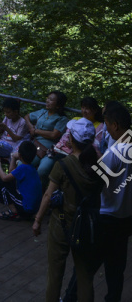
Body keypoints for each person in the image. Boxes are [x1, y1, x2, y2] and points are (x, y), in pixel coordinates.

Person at [64, 102, 132, 302]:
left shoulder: (117, 152)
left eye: (108, 124)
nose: (107, 128)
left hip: (107, 216)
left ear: (116, 125)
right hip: (126, 217)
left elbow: (95, 180)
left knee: (86, 264)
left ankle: (69, 298)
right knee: (116, 267)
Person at [32, 118, 102, 302]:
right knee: (84, 275)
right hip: (87, 226)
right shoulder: (99, 166)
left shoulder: (62, 165)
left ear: (70, 138)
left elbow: (48, 196)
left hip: (61, 223)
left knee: (55, 273)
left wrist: (38, 220)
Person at [38, 97, 104, 182]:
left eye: (87, 108)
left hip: (81, 156)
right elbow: (65, 137)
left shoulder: (100, 126)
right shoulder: (75, 119)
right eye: (83, 107)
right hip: (62, 150)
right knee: (46, 167)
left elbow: (96, 145)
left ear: (95, 110)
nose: (84, 111)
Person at [0, 139, 42, 220]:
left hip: (27, 208)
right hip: (34, 207)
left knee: (2, 183)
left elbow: (5, 178)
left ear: (20, 155)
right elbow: (12, 172)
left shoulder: (23, 168)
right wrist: (13, 158)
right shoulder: (31, 167)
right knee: (11, 181)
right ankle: (22, 212)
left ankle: (14, 211)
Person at [24, 91, 69, 175]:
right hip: (36, 146)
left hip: (51, 150)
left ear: (58, 105)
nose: (47, 101)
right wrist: (31, 127)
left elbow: (54, 135)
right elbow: (27, 117)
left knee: (43, 170)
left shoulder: (62, 119)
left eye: (51, 99)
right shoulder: (42, 112)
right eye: (48, 98)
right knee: (22, 164)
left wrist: (36, 131)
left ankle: (41, 188)